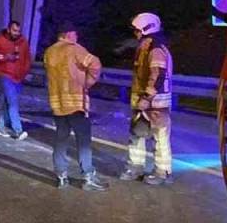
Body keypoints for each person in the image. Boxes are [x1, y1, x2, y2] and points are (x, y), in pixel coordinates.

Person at [43, 21, 108, 191]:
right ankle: (88, 177)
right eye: (75, 33)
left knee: (60, 139)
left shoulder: (49, 52)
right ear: (67, 34)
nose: (77, 36)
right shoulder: (74, 48)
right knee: (83, 141)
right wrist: (87, 82)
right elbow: (95, 63)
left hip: (58, 104)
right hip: (75, 103)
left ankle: (61, 176)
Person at [120, 12, 175, 185]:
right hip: (150, 101)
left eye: (137, 30)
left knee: (158, 138)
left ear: (146, 29)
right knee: (138, 135)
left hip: (154, 103)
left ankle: (161, 172)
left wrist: (146, 98)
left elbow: (157, 75)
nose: (135, 33)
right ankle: (136, 168)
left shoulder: (155, 49)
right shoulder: (149, 47)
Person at [0, 20, 31, 140]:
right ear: (8, 29)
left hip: (18, 77)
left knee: (7, 103)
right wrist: (6, 57)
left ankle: (0, 127)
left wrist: (25, 71)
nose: (17, 33)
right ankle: (18, 130)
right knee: (13, 102)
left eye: (18, 31)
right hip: (5, 75)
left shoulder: (23, 42)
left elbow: (27, 58)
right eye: (14, 30)